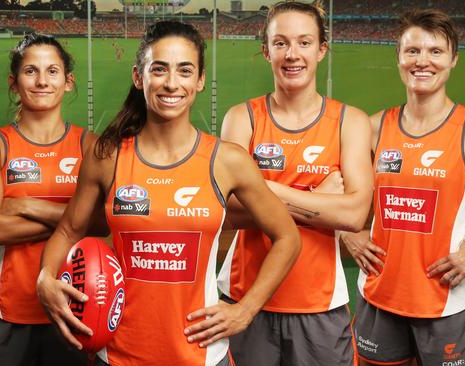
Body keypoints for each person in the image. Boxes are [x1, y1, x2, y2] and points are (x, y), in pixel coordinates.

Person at [36, 20, 301, 366]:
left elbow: (287, 237)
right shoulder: (108, 155)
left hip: (202, 356)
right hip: (116, 354)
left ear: (200, 80)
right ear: (138, 76)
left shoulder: (227, 160)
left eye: (185, 70)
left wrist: (244, 311)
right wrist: (45, 277)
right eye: (159, 69)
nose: (172, 83)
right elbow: (69, 230)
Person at [216, 2, 373, 365]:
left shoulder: (350, 121)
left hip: (318, 304)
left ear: (321, 49)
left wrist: (259, 188)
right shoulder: (242, 118)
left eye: (304, 42)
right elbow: (234, 212)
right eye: (281, 43)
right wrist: (319, 200)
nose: (292, 54)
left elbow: (352, 215)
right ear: (266, 50)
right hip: (244, 300)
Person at [341, 9, 465, 366]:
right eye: (412, 51)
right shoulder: (374, 127)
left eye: (435, 52)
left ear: (453, 59)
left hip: (447, 300)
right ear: (398, 57)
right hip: (380, 294)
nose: (422, 61)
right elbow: (326, 186)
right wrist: (346, 233)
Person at [0, 33, 96, 366]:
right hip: (7, 309)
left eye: (52, 71)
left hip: (75, 307)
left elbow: (104, 222)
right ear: (14, 83)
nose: (42, 81)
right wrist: (75, 223)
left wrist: (27, 205)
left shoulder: (90, 146)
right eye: (30, 71)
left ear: (68, 82)